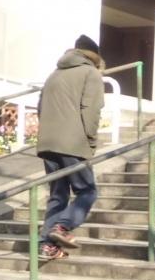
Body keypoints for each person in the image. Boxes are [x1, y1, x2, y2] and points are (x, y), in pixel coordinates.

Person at [35, 34, 104, 262]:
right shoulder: (90, 73)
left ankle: (46, 245)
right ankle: (63, 227)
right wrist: (90, 142)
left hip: (48, 143)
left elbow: (40, 108)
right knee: (87, 191)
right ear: (94, 58)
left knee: (58, 195)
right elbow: (91, 111)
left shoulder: (54, 75)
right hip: (73, 143)